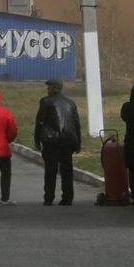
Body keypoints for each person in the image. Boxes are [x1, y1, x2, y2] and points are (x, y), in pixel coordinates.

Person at [34, 78, 81, 206]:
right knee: (67, 171)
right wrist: (78, 143)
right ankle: (68, 197)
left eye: (49, 87)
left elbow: (40, 122)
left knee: (50, 171)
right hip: (68, 141)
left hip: (51, 141)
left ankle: (49, 197)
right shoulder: (70, 103)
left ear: (55, 88)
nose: (47, 89)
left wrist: (37, 139)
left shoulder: (45, 102)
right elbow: (76, 124)